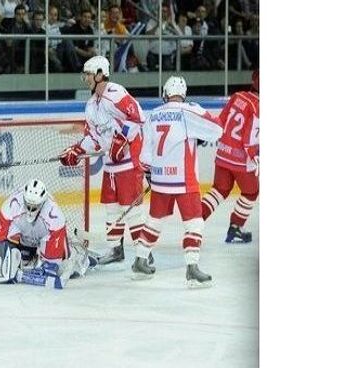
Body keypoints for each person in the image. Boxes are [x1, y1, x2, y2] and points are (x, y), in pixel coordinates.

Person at [136, 75, 223, 288]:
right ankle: (192, 268)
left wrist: (149, 173)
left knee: (154, 220)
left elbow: (144, 155)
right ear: (184, 95)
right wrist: (199, 130)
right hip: (183, 180)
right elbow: (217, 128)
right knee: (194, 223)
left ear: (165, 94)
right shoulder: (189, 110)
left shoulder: (153, 115)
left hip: (160, 179)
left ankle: (139, 260)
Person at [59, 55, 146, 266]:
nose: (86, 78)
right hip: (110, 162)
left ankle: (144, 254)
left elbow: (139, 118)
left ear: (100, 73)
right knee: (112, 207)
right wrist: (77, 150)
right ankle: (115, 249)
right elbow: (94, 138)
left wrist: (122, 138)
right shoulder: (91, 104)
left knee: (132, 209)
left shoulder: (115, 94)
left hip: (128, 161)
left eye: (89, 74)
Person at [0, 179, 92, 289]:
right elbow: (2, 237)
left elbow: (52, 265)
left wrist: (51, 266)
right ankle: (27, 255)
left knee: (61, 269)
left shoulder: (54, 213)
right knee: (18, 257)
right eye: (28, 204)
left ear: (43, 202)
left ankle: (78, 255)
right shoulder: (11, 205)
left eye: (34, 206)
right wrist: (3, 257)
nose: (30, 209)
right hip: (24, 233)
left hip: (45, 234)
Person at [201, 70, 259, 243]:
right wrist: (255, 159)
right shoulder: (259, 107)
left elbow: (220, 121)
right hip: (241, 160)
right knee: (251, 192)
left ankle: (195, 222)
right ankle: (235, 228)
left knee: (219, 190)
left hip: (223, 154)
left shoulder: (237, 96)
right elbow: (250, 139)